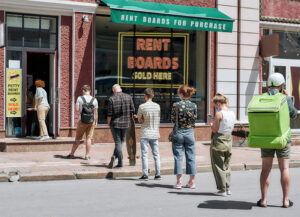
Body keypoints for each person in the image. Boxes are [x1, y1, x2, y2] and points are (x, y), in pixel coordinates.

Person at [257, 73, 297, 208]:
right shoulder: (285, 98)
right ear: (281, 86)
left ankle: (263, 200)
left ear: (268, 85)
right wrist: (288, 97)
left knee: (265, 169)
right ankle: (285, 201)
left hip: (266, 138)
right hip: (283, 138)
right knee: (284, 168)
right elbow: (294, 115)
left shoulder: (261, 98)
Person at [209, 93, 235, 196]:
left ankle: (222, 189)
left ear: (219, 103)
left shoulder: (219, 114)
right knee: (226, 164)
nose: (215, 107)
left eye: (215, 105)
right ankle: (227, 187)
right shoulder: (232, 113)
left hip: (219, 139)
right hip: (229, 139)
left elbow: (215, 129)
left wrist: (211, 123)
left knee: (218, 165)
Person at [171, 85, 197, 189]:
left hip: (179, 132)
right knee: (191, 157)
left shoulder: (176, 105)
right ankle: (191, 182)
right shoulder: (194, 105)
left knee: (178, 156)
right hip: (190, 132)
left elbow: (173, 119)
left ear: (181, 94)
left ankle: (179, 182)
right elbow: (194, 120)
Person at [67, 85, 98, 160]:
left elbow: (77, 109)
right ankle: (87, 156)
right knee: (89, 139)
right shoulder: (94, 99)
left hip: (82, 121)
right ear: (89, 91)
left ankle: (72, 154)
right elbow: (96, 113)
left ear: (83, 91)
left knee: (77, 139)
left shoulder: (80, 98)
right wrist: (96, 121)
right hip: (91, 121)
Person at [107, 84, 135, 168]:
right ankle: (115, 157)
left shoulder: (111, 98)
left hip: (115, 123)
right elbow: (132, 110)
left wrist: (108, 123)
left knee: (118, 142)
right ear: (121, 89)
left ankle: (120, 162)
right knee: (121, 142)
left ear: (113, 90)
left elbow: (109, 114)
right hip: (125, 123)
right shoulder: (128, 97)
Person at [136, 88, 161, 180]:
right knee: (156, 154)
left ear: (145, 96)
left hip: (145, 133)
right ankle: (158, 174)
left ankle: (145, 174)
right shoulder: (157, 106)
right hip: (155, 133)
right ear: (152, 96)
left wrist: (140, 118)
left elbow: (140, 120)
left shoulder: (142, 107)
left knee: (144, 154)